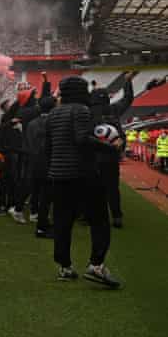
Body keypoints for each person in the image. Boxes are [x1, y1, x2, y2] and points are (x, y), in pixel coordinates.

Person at [46, 76, 121, 288]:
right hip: (83, 175)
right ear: (80, 91)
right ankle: (96, 266)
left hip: (58, 176)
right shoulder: (80, 110)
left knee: (62, 223)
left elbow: (48, 147)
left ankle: (65, 267)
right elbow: (81, 139)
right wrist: (109, 147)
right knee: (100, 220)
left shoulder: (53, 113)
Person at [89, 72, 136, 228]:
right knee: (112, 189)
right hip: (111, 157)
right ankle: (116, 216)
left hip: (93, 157)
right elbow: (127, 99)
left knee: (94, 189)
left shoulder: (87, 112)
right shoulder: (113, 109)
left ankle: (93, 216)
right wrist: (127, 81)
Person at [25, 95, 55, 238]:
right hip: (48, 164)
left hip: (34, 163)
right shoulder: (52, 123)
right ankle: (42, 226)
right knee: (46, 197)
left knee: (39, 194)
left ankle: (41, 221)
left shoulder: (31, 123)